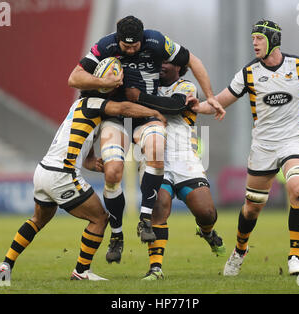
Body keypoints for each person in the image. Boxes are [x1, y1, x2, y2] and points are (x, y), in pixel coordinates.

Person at [192, 20, 299, 276]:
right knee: (252, 208)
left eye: (259, 38)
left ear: (272, 40)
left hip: (295, 141)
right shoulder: (248, 72)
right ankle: (240, 250)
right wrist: (196, 106)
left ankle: (294, 256)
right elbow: (221, 100)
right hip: (263, 148)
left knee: (298, 189)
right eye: (252, 39)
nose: (254, 43)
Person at [68, 15, 225, 262]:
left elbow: (192, 59)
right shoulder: (104, 46)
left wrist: (210, 95)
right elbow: (74, 79)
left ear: (142, 39)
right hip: (116, 117)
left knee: (156, 144)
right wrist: (104, 81)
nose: (130, 50)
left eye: (135, 45)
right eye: (125, 46)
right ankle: (117, 235)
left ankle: (144, 220)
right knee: (112, 173)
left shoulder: (157, 42)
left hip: (144, 116)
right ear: (117, 39)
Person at [0, 90, 167, 282]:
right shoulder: (92, 102)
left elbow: (82, 147)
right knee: (100, 219)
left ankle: (6, 264)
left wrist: (92, 162)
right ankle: (81, 271)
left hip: (43, 170)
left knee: (37, 220)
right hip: (62, 174)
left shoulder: (79, 108)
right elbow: (123, 108)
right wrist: (154, 113)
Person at [140, 61, 226, 280]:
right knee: (159, 207)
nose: (161, 65)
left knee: (206, 213)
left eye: (166, 62)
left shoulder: (186, 87)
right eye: (159, 61)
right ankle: (155, 268)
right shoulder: (147, 85)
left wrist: (139, 99)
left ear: (179, 67)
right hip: (156, 157)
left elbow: (174, 107)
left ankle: (206, 231)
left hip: (184, 158)